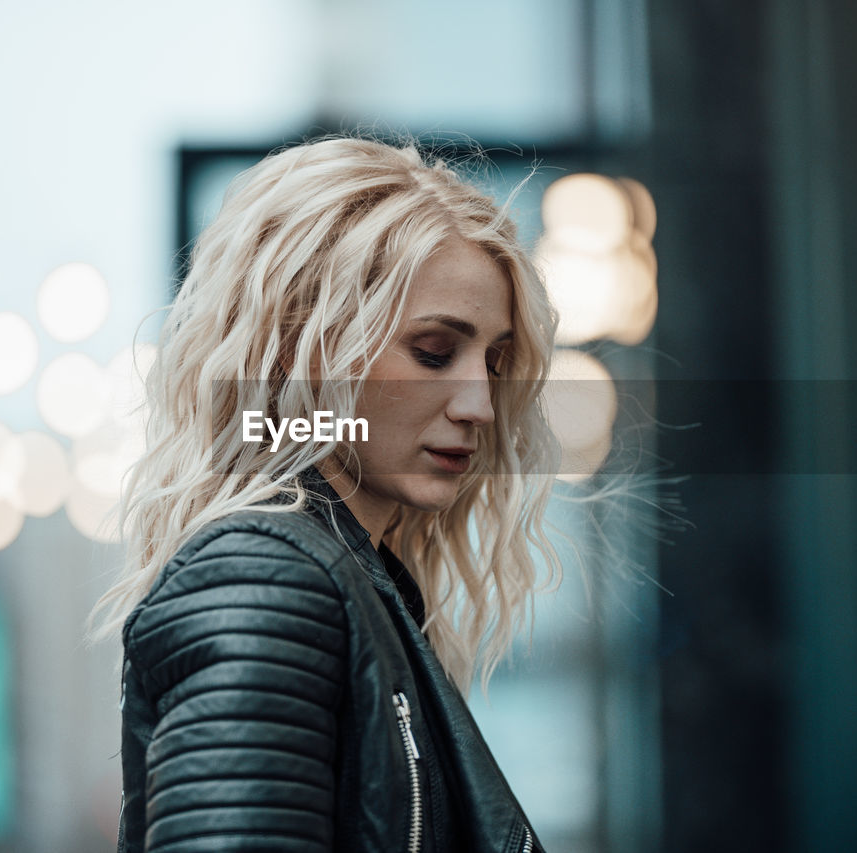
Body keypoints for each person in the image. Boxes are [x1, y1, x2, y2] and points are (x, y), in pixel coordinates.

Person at [93, 136, 561, 853]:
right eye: (435, 351)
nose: (480, 405)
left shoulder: (346, 578)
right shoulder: (264, 578)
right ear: (299, 347)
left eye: (494, 362)